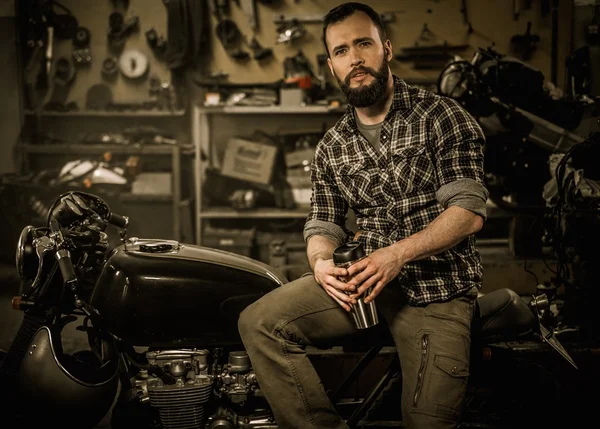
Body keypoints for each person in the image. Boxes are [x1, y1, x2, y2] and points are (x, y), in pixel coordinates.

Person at [238, 2, 489, 428]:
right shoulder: (332, 145)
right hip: (364, 285)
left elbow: (467, 211)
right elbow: (323, 223)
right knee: (259, 323)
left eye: (363, 44)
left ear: (386, 48)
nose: (354, 59)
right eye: (340, 51)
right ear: (331, 66)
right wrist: (320, 263)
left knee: (428, 423)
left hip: (437, 288)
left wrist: (397, 255)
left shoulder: (442, 117)